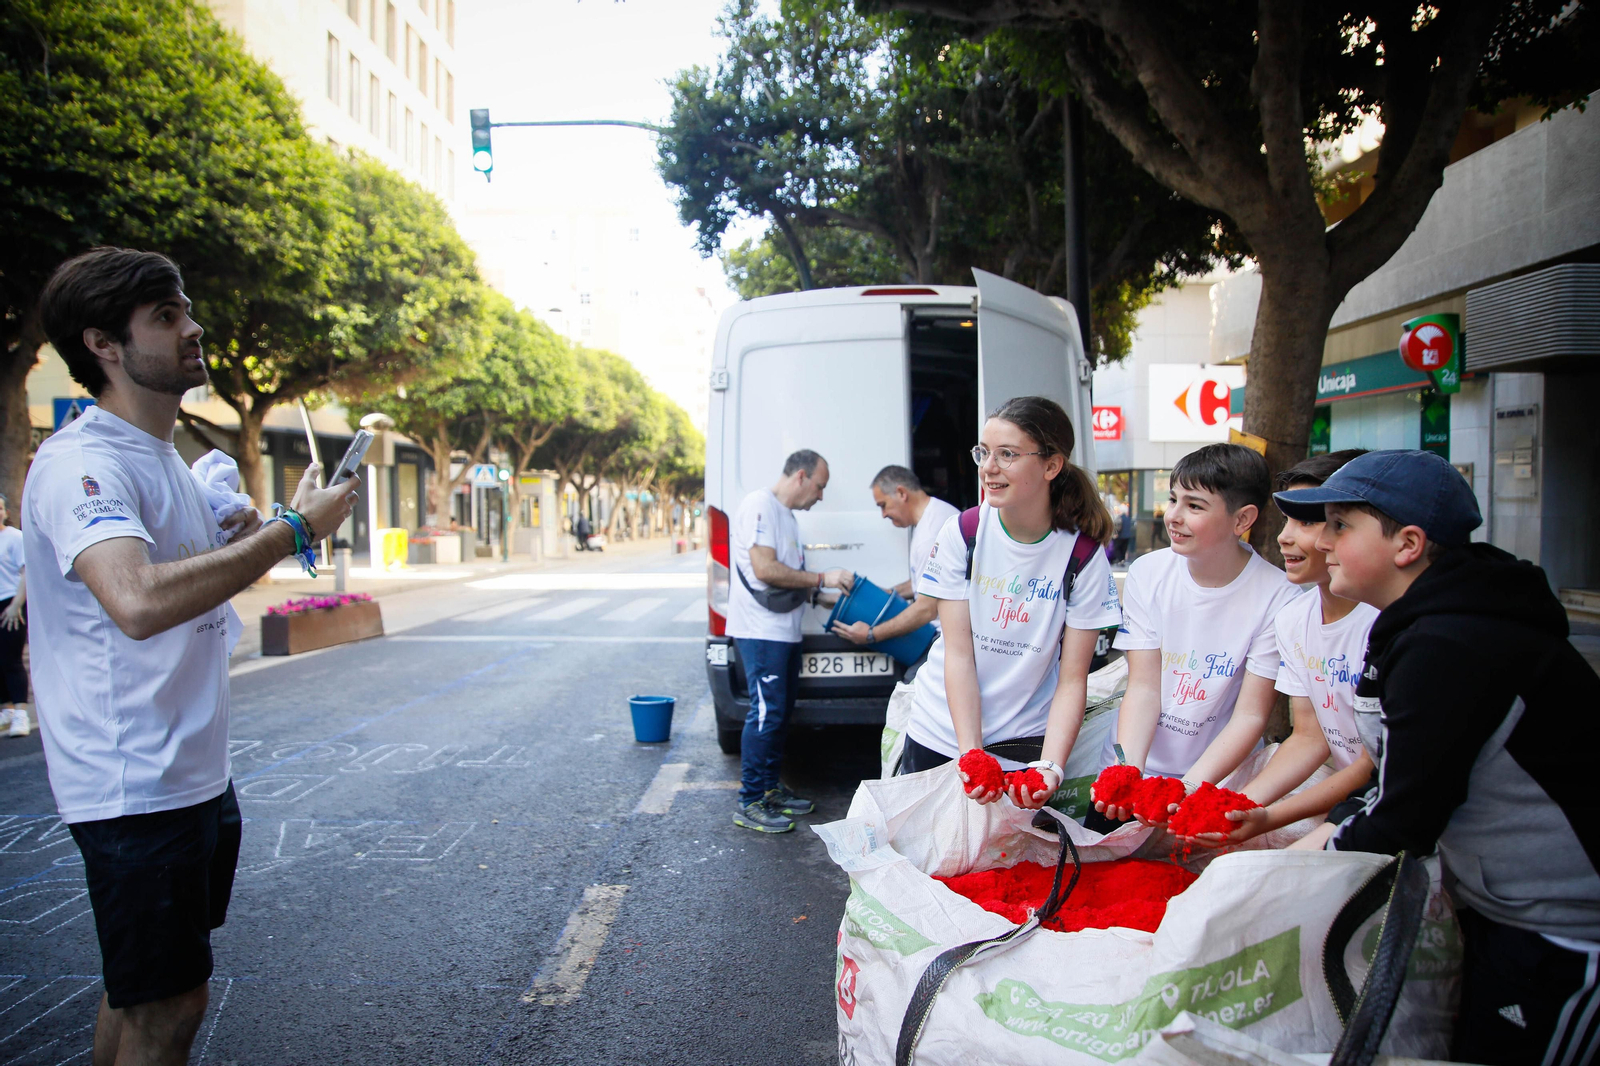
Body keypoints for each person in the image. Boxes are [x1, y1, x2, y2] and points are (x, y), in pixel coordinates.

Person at [25, 247, 358, 1066]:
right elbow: (136, 600)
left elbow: (176, 577)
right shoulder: (83, 462)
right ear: (104, 344)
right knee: (167, 1006)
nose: (193, 326)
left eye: (185, 309)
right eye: (166, 317)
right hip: (133, 780)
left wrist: (239, 533)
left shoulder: (158, 453)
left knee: (140, 992)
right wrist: (296, 530)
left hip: (192, 771)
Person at [1276, 450, 1600, 1066]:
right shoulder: (1416, 626)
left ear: (1408, 544)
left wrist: (1274, 874)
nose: (1323, 541)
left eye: (1341, 525)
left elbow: (1405, 818)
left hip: (1566, 931)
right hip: (1502, 911)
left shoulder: (1451, 644)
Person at [901, 396, 1122, 810]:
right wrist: (971, 753)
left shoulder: (1083, 556)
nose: (988, 467)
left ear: (1052, 466)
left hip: (1025, 746)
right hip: (942, 732)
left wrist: (1052, 766)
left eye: (1007, 454)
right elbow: (959, 655)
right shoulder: (962, 532)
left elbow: (1074, 678)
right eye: (984, 452)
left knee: (1006, 871)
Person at [1092, 443, 1298, 831]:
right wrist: (1129, 775)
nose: (1174, 516)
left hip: (1211, 783)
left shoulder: (1279, 596)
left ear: (1243, 519)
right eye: (1173, 499)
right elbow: (1144, 688)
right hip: (1133, 763)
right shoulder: (1148, 573)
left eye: (1195, 506)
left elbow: (1251, 714)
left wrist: (1187, 788)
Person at [1183, 450, 1377, 848]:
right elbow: (1309, 737)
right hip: (1345, 793)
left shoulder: (1383, 623)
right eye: (1288, 520)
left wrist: (1265, 816)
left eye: (1308, 521)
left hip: (1384, 800)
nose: (1285, 536)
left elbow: (1369, 764)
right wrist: (1234, 808)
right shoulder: (1294, 617)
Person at [727, 449, 853, 833]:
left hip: (783, 630)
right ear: (801, 476)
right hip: (761, 631)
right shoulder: (759, 506)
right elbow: (765, 569)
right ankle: (750, 801)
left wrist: (828, 594)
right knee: (765, 714)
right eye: (820, 486)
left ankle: (768, 790)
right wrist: (822, 579)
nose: (821, 495)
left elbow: (789, 576)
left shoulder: (787, 517)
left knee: (779, 714)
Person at [829, 465, 956, 658]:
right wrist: (884, 593)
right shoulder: (936, 514)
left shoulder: (929, 536)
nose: (883, 514)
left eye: (883, 505)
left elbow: (926, 609)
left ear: (901, 493)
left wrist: (871, 634)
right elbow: (927, 583)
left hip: (942, 642)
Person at [0, 492, 29, 738]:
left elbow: (26, 573)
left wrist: (16, 605)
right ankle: (6, 710)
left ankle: (21, 713)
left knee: (11, 660)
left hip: (10, 604)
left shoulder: (14, 538)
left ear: (5, 512)